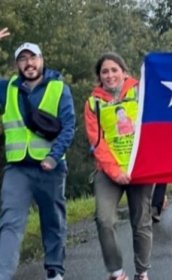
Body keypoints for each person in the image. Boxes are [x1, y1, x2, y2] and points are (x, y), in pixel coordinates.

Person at [0, 28, 76, 280]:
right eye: (22, 59)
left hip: (50, 168)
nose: (28, 63)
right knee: (10, 222)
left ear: (42, 60)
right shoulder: (7, 88)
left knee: (53, 221)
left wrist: (53, 157)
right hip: (17, 168)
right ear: (17, 64)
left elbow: (68, 127)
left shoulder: (58, 88)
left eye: (33, 58)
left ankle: (54, 270)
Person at [84, 52, 153, 280]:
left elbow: (155, 124)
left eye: (115, 70)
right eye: (105, 71)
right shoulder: (93, 102)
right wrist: (115, 171)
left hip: (140, 168)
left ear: (124, 71)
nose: (110, 75)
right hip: (108, 170)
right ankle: (116, 272)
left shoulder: (140, 91)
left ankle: (142, 272)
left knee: (141, 222)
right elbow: (96, 142)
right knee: (104, 219)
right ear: (99, 76)